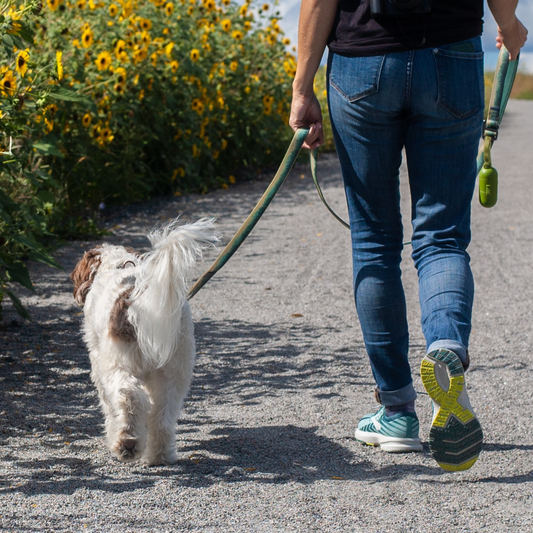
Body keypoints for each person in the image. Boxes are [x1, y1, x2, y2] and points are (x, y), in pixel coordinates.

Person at [290, 0, 528, 472]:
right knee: (441, 237)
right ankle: (446, 348)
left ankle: (397, 411)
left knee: (374, 241)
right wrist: (509, 24)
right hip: (452, 58)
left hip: (361, 61)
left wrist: (302, 86)